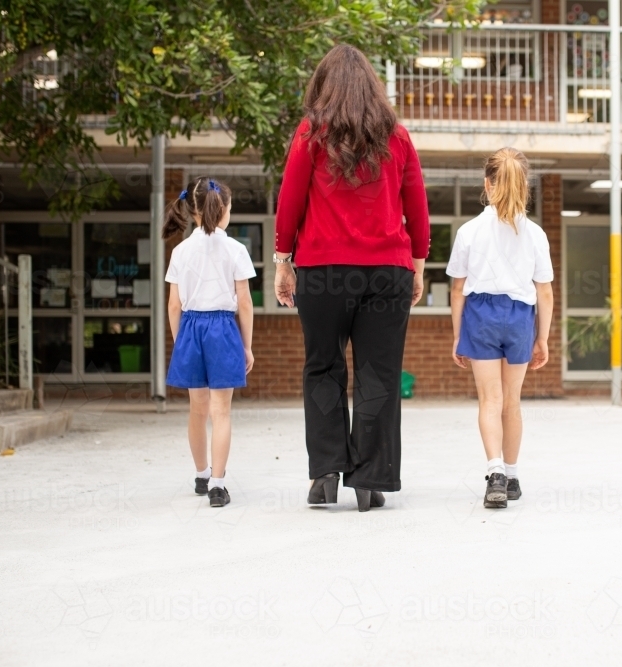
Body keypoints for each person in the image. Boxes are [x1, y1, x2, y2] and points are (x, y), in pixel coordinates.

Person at [274, 44, 430, 513]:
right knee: (377, 372)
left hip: (323, 270)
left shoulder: (311, 134)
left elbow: (290, 197)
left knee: (322, 366)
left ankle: (325, 472)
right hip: (387, 271)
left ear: (323, 85)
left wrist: (284, 260)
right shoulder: (396, 136)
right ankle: (369, 480)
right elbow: (417, 205)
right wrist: (418, 265)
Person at [446, 148, 554, 509]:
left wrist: (459, 335)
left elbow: (458, 289)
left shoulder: (469, 231)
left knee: (490, 400)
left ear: (487, 184)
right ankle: (512, 475)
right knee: (512, 402)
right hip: (521, 316)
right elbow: (545, 292)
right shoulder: (536, 234)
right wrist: (543, 338)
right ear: (524, 186)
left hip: (481, 315)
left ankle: (494, 473)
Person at [163, 177, 256, 508]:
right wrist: (246, 346)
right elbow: (244, 303)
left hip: (190, 327)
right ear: (224, 209)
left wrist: (182, 343)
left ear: (192, 210)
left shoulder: (180, 251)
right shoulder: (236, 249)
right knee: (222, 411)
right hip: (222, 328)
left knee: (197, 409)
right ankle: (218, 485)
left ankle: (201, 474)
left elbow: (174, 305)